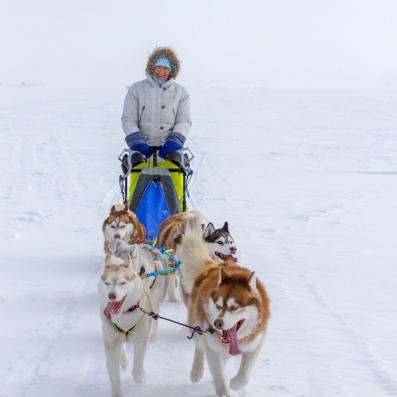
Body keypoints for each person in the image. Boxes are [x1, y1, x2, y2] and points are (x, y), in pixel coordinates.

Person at [121, 47, 192, 163]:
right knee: (139, 181)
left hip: (169, 155)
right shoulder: (136, 89)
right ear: (152, 67)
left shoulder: (181, 93)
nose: (161, 71)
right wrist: (137, 142)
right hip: (141, 155)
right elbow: (128, 119)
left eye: (166, 68)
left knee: (173, 181)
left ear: (172, 70)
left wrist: (174, 142)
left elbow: (184, 121)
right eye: (158, 67)